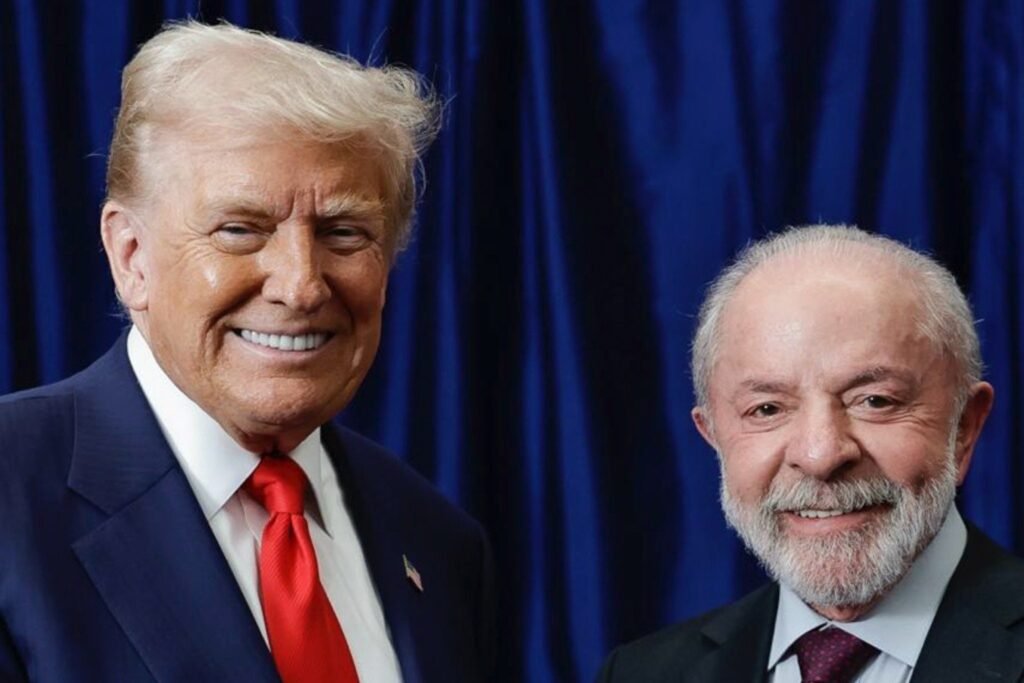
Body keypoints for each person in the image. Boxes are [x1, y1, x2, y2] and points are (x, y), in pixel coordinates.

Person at [0, 21, 493, 683]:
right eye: (240, 229)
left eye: (344, 233)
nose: (301, 285)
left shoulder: (438, 541)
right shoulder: (12, 497)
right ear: (131, 256)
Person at [598, 225, 1024, 682]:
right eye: (767, 409)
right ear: (714, 436)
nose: (821, 456)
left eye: (875, 400)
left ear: (964, 427)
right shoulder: (640, 673)